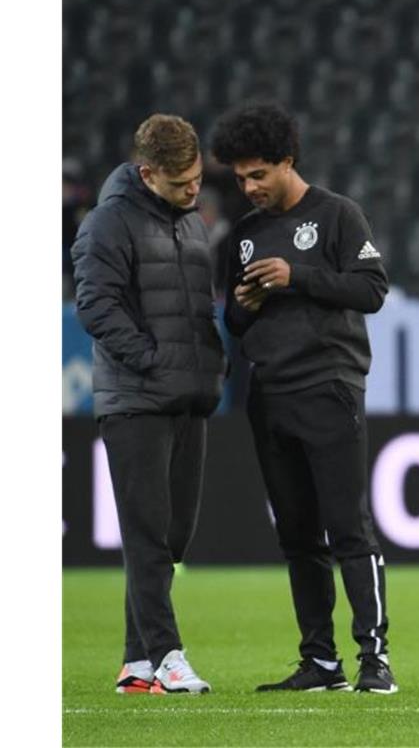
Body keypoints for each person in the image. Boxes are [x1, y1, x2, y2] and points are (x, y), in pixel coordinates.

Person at [209, 103, 396, 694]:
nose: (249, 187)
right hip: (270, 393)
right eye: (240, 178)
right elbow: (234, 322)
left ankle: (375, 660)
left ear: (287, 161)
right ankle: (320, 661)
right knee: (296, 534)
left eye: (258, 174)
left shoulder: (338, 215)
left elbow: (372, 291)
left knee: (347, 529)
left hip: (329, 386)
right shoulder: (241, 236)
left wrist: (297, 277)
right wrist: (247, 305)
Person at [71, 114, 226, 694]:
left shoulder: (187, 222)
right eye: (183, 182)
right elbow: (96, 306)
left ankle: (136, 663)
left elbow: (196, 307)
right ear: (146, 173)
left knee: (175, 533)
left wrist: (208, 360)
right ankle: (166, 656)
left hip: (187, 394)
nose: (195, 191)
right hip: (136, 397)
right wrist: (153, 359)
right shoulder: (107, 224)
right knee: (146, 532)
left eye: (197, 180)